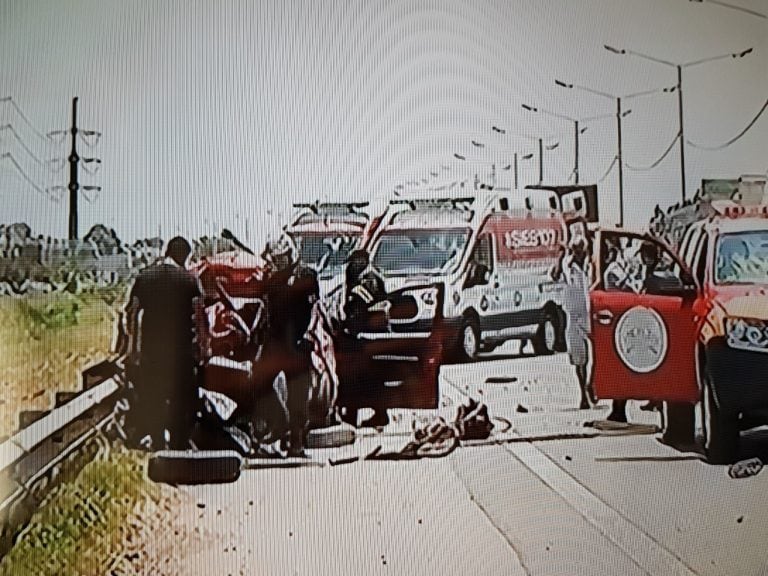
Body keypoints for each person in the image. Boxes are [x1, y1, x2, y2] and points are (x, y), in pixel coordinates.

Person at [122, 236, 208, 449]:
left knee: (153, 395)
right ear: (185, 256)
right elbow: (200, 316)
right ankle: (179, 443)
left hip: (152, 351)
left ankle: (158, 441)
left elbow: (132, 313)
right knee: (183, 396)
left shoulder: (145, 277)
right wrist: (204, 348)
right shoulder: (189, 279)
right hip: (181, 352)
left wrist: (133, 348)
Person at [261, 237, 319, 457]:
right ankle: (276, 426)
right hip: (276, 342)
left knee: (299, 395)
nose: (280, 262)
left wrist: (308, 337)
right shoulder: (272, 280)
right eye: (276, 259)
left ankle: (296, 441)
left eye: (282, 258)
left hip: (297, 342)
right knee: (259, 385)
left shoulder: (306, 276)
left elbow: (313, 310)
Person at [340, 248, 390, 427]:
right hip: (371, 336)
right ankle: (376, 413)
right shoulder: (369, 277)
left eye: (355, 262)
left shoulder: (368, 280)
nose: (352, 266)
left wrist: (347, 325)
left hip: (367, 337)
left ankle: (353, 416)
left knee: (356, 378)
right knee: (367, 379)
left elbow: (357, 308)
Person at [562, 237, 594, 410]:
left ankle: (590, 385)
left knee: (591, 358)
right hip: (573, 318)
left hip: (589, 315)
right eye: (575, 249)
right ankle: (583, 394)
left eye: (580, 249)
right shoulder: (567, 267)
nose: (578, 253)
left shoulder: (591, 266)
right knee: (578, 359)